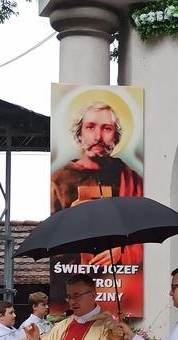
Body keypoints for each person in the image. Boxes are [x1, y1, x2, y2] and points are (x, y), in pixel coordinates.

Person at [51, 101, 143, 266]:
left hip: (122, 282)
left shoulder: (129, 177)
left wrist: (121, 249)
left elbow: (141, 230)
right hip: (74, 279)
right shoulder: (58, 181)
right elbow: (54, 248)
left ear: (115, 136)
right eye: (90, 127)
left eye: (106, 128)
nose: (98, 137)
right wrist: (73, 221)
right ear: (79, 134)